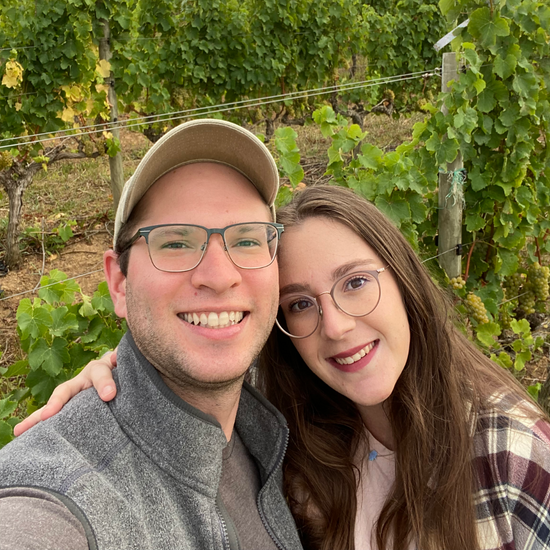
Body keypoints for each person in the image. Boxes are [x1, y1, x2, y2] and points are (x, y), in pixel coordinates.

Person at [21, 184, 550, 550]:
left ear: (405, 280)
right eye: (299, 303)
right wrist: (119, 370)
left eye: (356, 283)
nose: (337, 326)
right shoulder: (284, 432)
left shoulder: (513, 454)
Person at [0, 119, 304, 550]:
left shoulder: (291, 406)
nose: (219, 277)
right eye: (176, 243)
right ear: (120, 283)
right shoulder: (56, 498)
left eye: (247, 240)